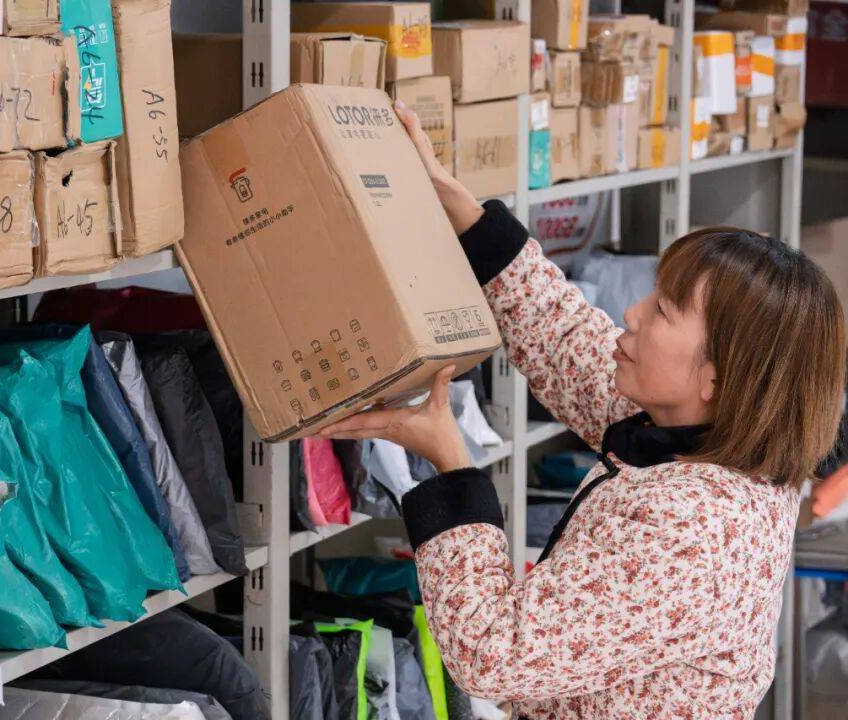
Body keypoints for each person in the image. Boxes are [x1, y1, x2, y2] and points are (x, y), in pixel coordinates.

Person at [319, 102, 847, 718]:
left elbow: (494, 653)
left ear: (718, 377)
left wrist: (453, 468)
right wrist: (459, 205)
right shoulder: (721, 435)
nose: (633, 313)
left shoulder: (691, 531)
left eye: (663, 311)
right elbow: (565, 341)